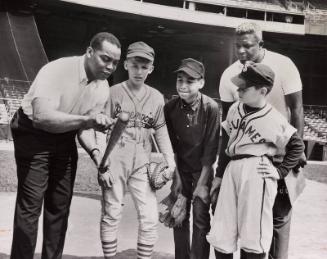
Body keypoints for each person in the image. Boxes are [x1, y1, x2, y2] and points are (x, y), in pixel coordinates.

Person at [10, 32, 121, 259]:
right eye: (105, 58)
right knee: (31, 205)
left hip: (64, 135)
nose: (110, 67)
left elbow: (83, 130)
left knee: (59, 206)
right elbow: (42, 117)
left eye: (115, 62)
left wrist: (97, 153)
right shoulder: (58, 70)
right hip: (33, 131)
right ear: (89, 52)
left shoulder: (102, 88)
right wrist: (86, 120)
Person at [210, 22, 306, 259]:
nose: (241, 51)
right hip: (242, 157)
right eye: (238, 46)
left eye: (248, 46)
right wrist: (220, 173)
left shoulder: (283, 64)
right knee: (234, 224)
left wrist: (287, 166)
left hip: (276, 151)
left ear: (261, 44)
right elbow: (228, 131)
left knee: (275, 222)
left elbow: (297, 109)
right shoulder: (230, 76)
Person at [99, 41, 176, 259]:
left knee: (149, 217)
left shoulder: (156, 97)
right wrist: (101, 163)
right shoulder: (112, 92)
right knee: (111, 213)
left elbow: (161, 131)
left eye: (145, 67)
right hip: (115, 159)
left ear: (151, 69)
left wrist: (169, 161)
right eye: (135, 65)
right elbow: (98, 130)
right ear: (126, 65)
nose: (139, 71)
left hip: (142, 160)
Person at [164, 58, 220, 259]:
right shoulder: (169, 108)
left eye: (190, 81)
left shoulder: (211, 108)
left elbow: (210, 150)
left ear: (201, 83)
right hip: (181, 170)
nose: (183, 85)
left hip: (202, 171)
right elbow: (172, 147)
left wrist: (202, 184)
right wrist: (177, 178)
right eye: (180, 80)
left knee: (200, 218)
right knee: (178, 216)